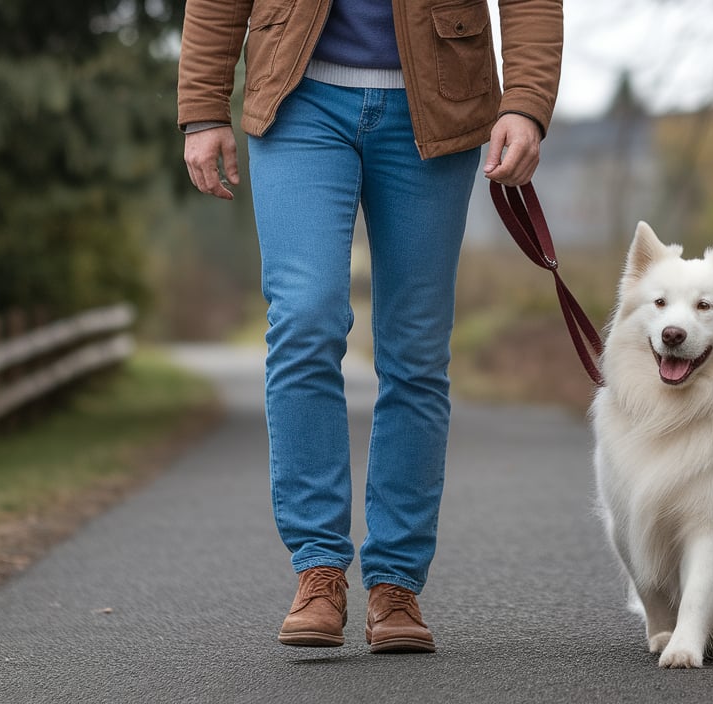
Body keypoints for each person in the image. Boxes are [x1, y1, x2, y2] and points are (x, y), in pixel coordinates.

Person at [178, 0, 562, 653]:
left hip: (438, 99)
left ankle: (395, 584)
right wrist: (202, 108)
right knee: (305, 315)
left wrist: (525, 100)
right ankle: (319, 570)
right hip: (297, 97)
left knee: (415, 349)